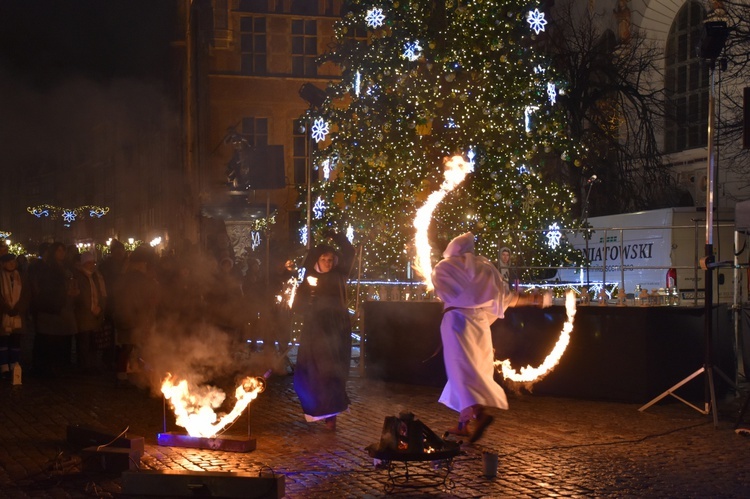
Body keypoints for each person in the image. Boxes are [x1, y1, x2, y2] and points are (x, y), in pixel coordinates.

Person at [432, 232, 549, 443]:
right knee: (473, 370)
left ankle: (479, 414)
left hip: (457, 323)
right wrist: (532, 299)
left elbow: (439, 290)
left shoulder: (444, 267)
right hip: (479, 324)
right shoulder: (484, 268)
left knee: (461, 372)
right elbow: (506, 298)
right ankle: (463, 424)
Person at [292, 230, 355, 430]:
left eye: (330, 259)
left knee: (331, 372)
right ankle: (317, 410)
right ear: (316, 261)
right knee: (310, 373)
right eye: (323, 258)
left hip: (335, 329)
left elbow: (349, 251)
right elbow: (297, 308)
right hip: (314, 331)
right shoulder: (308, 280)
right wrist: (308, 301)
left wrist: (335, 236)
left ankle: (331, 415)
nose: (328, 262)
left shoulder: (339, 274)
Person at [0, 253, 30, 379]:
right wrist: (6, 308)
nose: (12, 264)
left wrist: (19, 308)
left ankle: (14, 364)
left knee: (15, 340)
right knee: (4, 340)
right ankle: (4, 366)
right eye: (8, 262)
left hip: (18, 314)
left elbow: (26, 294)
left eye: (13, 261)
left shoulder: (21, 277)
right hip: (3, 314)